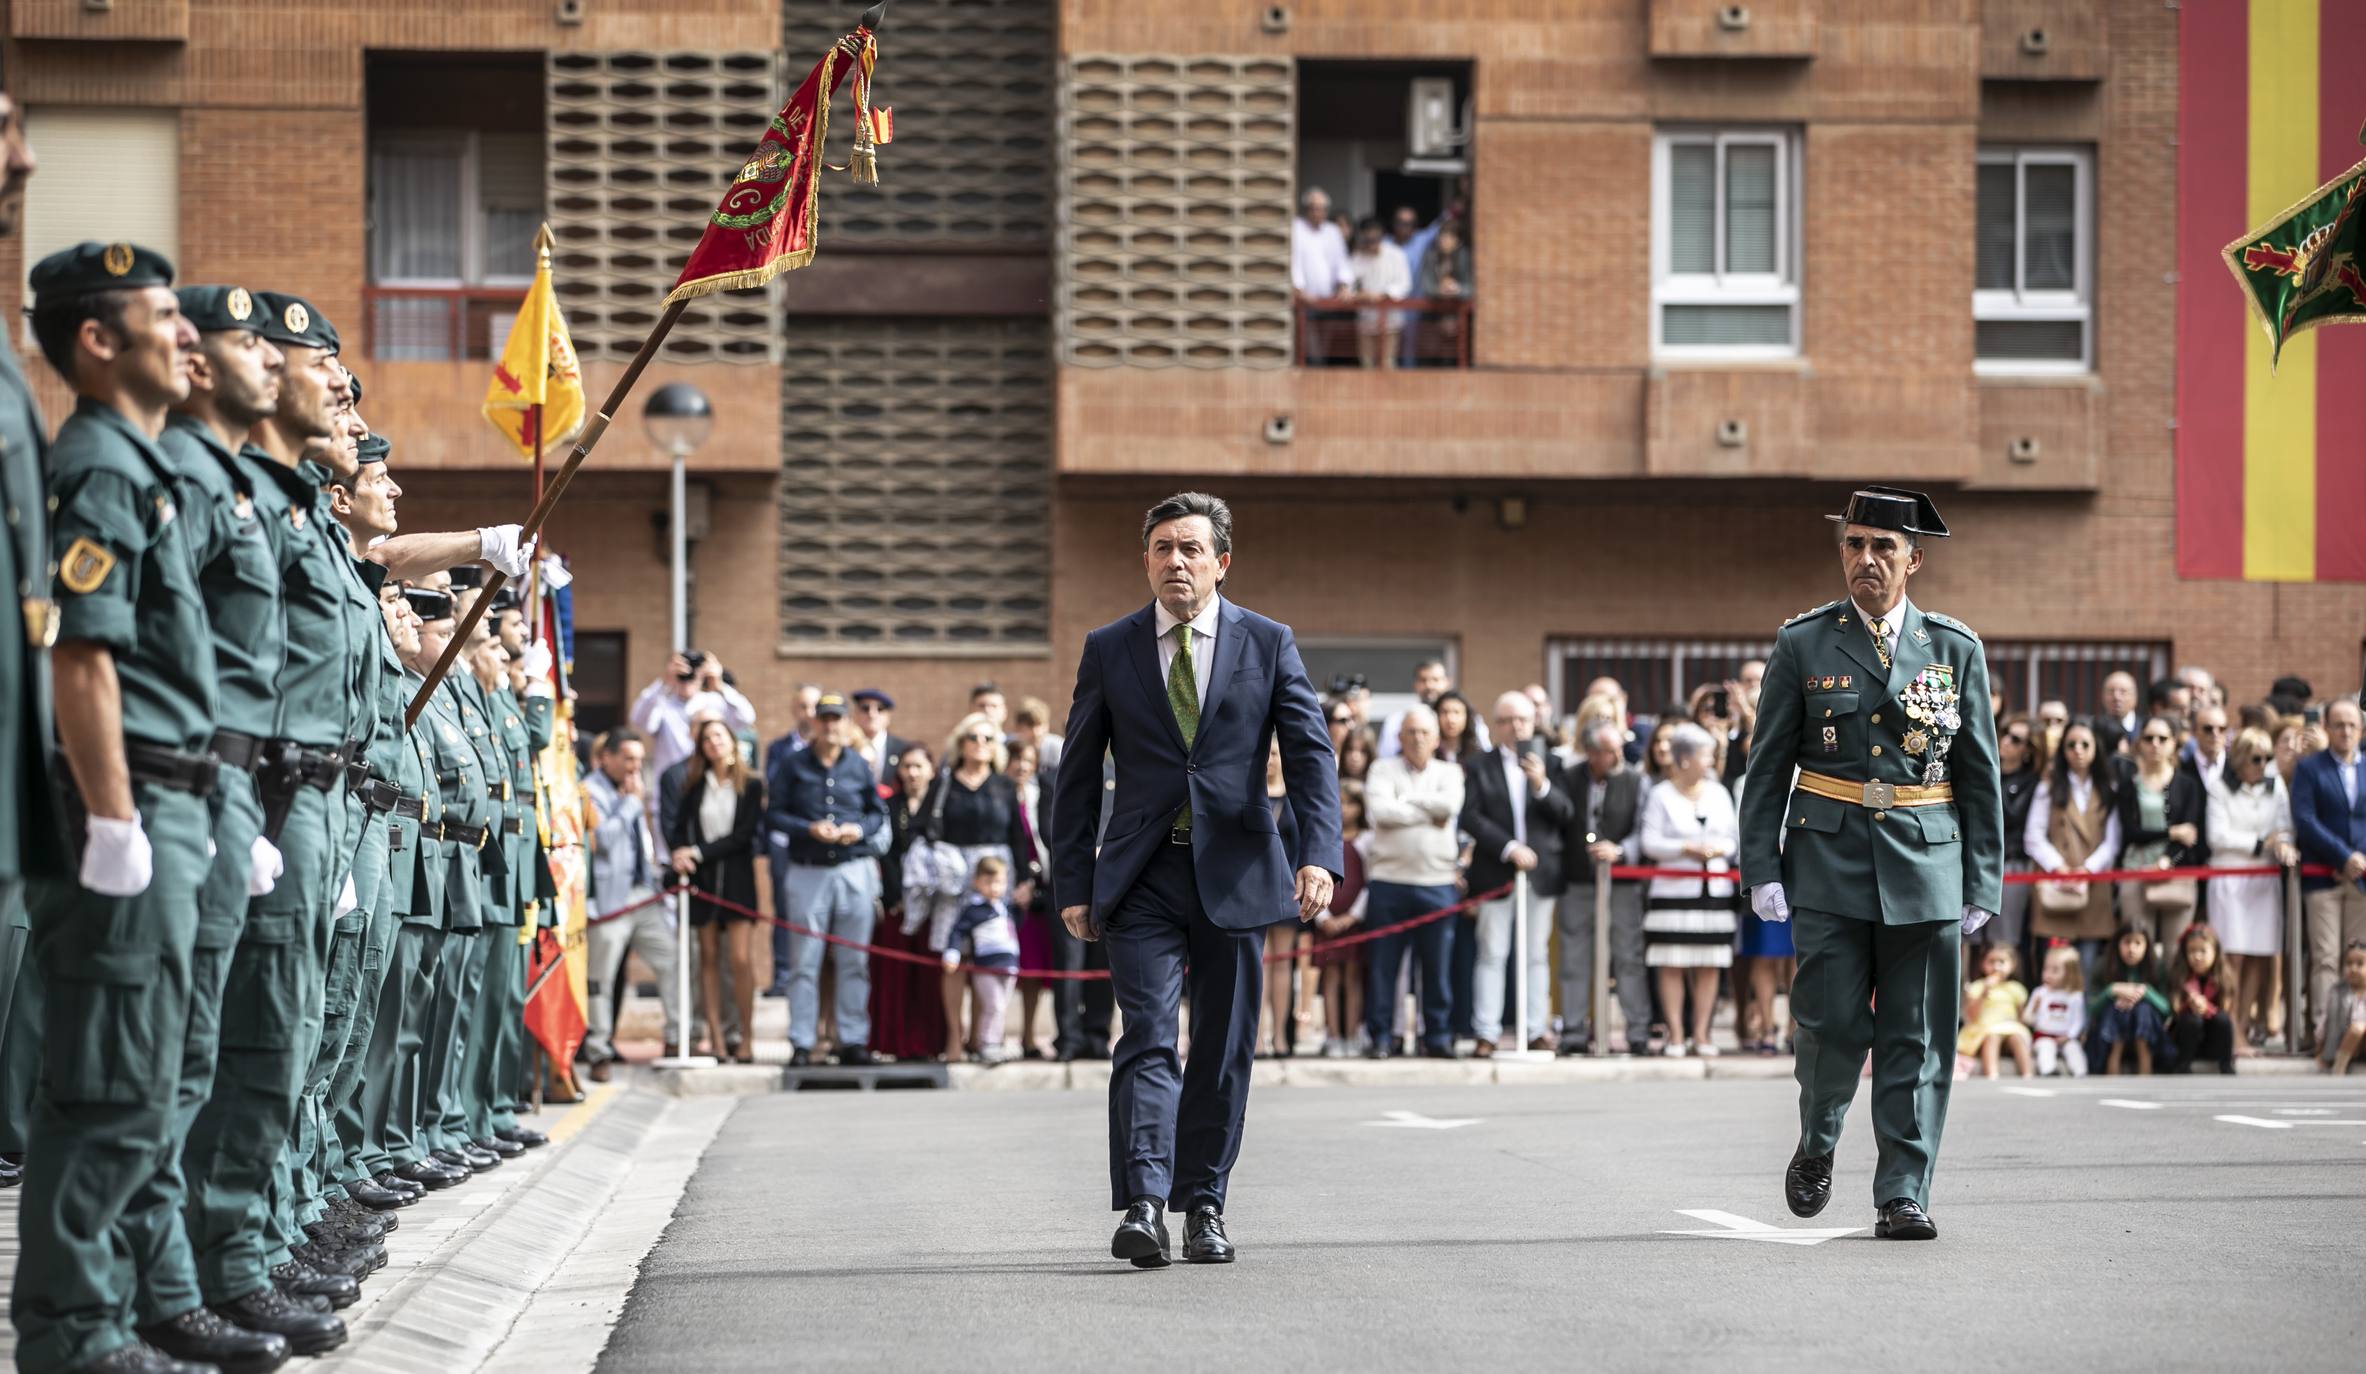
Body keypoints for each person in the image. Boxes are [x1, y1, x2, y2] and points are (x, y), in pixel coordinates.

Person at [1049, 491, 1340, 1270]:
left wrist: (1320, 854)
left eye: (1190, 549)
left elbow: (1311, 755)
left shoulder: (1268, 641)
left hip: (1238, 872)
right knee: (1146, 1036)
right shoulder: (1110, 647)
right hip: (1142, 875)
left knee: (1221, 1049)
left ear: (1222, 562)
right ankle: (1144, 1203)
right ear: (1145, 561)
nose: (1175, 562)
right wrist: (1072, 881)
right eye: (1161, 549)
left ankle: (1203, 1205)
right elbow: (1076, 776)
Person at [1740, 484, 2003, 1243]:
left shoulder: (1955, 649)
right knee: (1828, 1027)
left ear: (1913, 560)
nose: (1866, 560)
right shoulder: (1804, 643)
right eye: (1854, 545)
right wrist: (1762, 866)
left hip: (1926, 865)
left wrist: (1982, 878)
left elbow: (1979, 775)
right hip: (1827, 863)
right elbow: (1768, 768)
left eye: (1883, 548)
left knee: (1916, 1039)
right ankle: (1819, 1141)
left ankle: (1903, 1192)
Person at [768, 693, 888, 1068]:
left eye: (837, 719)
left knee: (854, 960)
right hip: (808, 869)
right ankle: (802, 1042)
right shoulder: (793, 764)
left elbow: (876, 813)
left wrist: (858, 829)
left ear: (845, 723)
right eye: (825, 719)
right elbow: (774, 814)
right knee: (805, 961)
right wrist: (808, 829)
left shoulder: (856, 764)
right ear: (815, 723)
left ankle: (852, 1039)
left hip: (853, 869)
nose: (831, 726)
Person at [917, 712, 1034, 1062]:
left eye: (987, 739)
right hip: (954, 878)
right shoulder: (944, 783)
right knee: (955, 957)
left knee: (989, 956)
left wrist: (1025, 881)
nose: (980, 745)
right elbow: (922, 829)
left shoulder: (1002, 785)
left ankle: (984, 1038)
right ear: (960, 743)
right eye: (973, 738)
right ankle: (955, 1038)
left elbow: (1017, 836)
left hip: (996, 876)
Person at [1461, 692, 1569, 1056]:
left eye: (1523, 719)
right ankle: (1487, 1032)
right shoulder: (1480, 765)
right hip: (1496, 871)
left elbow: (1566, 814)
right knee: (1492, 952)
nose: (1516, 727)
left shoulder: (1551, 763)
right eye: (1507, 720)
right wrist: (1509, 847)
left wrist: (1541, 785)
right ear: (1497, 725)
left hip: (1540, 875)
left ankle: (1536, 1028)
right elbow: (1471, 816)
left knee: (1536, 953)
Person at [1362, 704, 1465, 1059]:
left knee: (1436, 968)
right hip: (1389, 881)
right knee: (1383, 967)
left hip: (1437, 883)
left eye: (1424, 732)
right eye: (1411, 732)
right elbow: (1381, 813)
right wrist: (1427, 810)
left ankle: (1436, 1036)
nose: (1418, 739)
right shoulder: (1381, 769)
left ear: (1436, 738)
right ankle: (1381, 1037)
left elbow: (1449, 808)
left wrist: (1406, 802)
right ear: (1400, 737)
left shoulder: (1451, 772)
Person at [666, 716, 764, 1062]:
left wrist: (699, 851)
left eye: (719, 736)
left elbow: (744, 835)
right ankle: (717, 1039)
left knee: (739, 959)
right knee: (706, 958)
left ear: (732, 741)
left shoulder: (751, 784)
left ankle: (747, 1038)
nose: (714, 743)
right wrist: (681, 853)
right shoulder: (694, 785)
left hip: (737, 879)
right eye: (707, 739)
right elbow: (679, 829)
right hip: (703, 880)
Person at [581, 729, 677, 1079]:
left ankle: (677, 1037)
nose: (635, 767)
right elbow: (601, 839)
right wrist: (632, 804)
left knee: (671, 959)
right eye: (628, 759)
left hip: (643, 895)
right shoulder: (590, 789)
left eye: (639, 759)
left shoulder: (631, 791)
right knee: (600, 978)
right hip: (609, 902)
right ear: (606, 757)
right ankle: (598, 1050)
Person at [1640, 724, 1739, 1057]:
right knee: (1672, 962)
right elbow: (1649, 843)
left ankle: (1702, 1034)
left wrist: (1715, 850)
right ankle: (1676, 1035)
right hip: (1672, 889)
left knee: (1709, 963)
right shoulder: (1660, 794)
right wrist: (1686, 848)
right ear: (1684, 759)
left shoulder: (1718, 793)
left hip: (1713, 890)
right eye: (1704, 754)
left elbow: (1732, 837)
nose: (1710, 760)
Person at [2201, 726, 2295, 1056]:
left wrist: (2282, 843)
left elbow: (2284, 825)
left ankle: (2242, 1025)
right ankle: (2230, 1032)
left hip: (2264, 881)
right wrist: (2259, 844)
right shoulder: (2218, 787)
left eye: (2268, 758)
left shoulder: (2275, 786)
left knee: (2257, 956)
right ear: (2240, 760)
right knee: (2233, 958)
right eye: (2257, 758)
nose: (2264, 764)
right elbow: (2217, 836)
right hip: (2230, 878)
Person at [1557, 721, 1649, 1056]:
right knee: (1575, 957)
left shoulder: (1636, 780)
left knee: (1628, 955)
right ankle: (1573, 1030)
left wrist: (1620, 849)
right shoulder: (1569, 778)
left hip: (1622, 882)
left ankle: (1637, 1030)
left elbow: (1643, 829)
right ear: (1592, 753)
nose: (1617, 756)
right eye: (1609, 751)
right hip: (1578, 880)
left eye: (1618, 749)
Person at [2292, 699, 2366, 1055]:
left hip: (2361, 878)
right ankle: (2325, 1033)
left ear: (2361, 729)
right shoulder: (2310, 769)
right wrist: (2342, 855)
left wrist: (2358, 859)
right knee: (2324, 956)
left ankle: (2355, 1033)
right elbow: (2305, 820)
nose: (2346, 731)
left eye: (2352, 725)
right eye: (2338, 724)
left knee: (2357, 958)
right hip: (2323, 877)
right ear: (2326, 727)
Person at [2024, 721, 2122, 964]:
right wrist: (2060, 868)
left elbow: (2114, 840)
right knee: (2055, 971)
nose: (2078, 750)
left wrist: (2088, 870)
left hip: (2094, 884)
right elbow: (2033, 836)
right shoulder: (2048, 786)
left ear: (2096, 749)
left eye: (2085, 744)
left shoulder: (2109, 787)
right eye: (2071, 745)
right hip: (2056, 884)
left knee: (2087, 969)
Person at [872, 747, 948, 1061]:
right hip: (900, 903)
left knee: (931, 976)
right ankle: (896, 1042)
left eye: (919, 766)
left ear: (931, 769)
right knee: (896, 973)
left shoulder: (943, 803)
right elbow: (886, 853)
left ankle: (930, 1043)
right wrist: (895, 896)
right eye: (907, 767)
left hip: (937, 902)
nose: (913, 772)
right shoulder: (890, 806)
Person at [2112, 715, 2208, 947]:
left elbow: (2191, 834)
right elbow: (2131, 831)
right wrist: (2172, 832)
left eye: (2162, 738)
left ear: (2173, 743)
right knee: (2137, 947)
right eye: (2148, 738)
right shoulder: (2129, 784)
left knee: (2175, 952)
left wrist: (2166, 860)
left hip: (2177, 873)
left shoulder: (2188, 785)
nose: (2155, 743)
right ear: (2139, 743)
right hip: (2136, 871)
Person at [757, 681, 821, 998]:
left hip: (821, 845)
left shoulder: (834, 751)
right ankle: (782, 975)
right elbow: (774, 791)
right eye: (803, 707)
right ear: (795, 710)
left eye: (814, 707)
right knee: (783, 910)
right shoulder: (780, 749)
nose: (809, 713)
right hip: (785, 840)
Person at [630, 651, 755, 789]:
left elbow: (747, 717)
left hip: (710, 789)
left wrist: (720, 685)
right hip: (671, 788)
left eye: (693, 670)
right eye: (682, 672)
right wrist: (663, 682)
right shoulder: (661, 704)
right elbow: (637, 719)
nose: (687, 676)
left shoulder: (714, 702)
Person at [942, 856, 1023, 1062]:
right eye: (989, 882)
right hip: (986, 967)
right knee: (993, 1005)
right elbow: (956, 932)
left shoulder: (1006, 908)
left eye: (999, 882)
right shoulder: (973, 910)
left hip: (1009, 966)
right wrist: (952, 952)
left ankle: (994, 1042)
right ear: (977, 882)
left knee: (1001, 1007)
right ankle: (986, 1043)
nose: (994, 888)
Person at [1315, 780, 1371, 1056]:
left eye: (1350, 803)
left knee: (1353, 977)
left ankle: (1352, 1034)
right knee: (1330, 977)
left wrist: (1352, 917)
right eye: (1339, 802)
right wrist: (1323, 916)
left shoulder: (1366, 840)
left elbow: (1370, 882)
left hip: (1354, 923)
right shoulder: (1324, 837)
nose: (1344, 809)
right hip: (1326, 920)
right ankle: (1333, 1036)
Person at [1992, 712, 2044, 965]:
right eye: (2004, 733)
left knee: (2004, 938)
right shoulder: (1986, 767)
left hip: (2012, 862)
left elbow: (2011, 816)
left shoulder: (2032, 782)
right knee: (1967, 937)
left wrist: (1993, 781)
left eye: (2016, 739)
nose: (2005, 741)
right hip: (1976, 857)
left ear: (2027, 750)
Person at [2089, 925, 2170, 1075]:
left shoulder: (2156, 966)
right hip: (2110, 1037)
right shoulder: (2103, 965)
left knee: (2143, 1009)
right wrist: (2111, 990)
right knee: (2115, 1009)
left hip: (2147, 1035)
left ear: (2147, 946)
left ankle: (2145, 1072)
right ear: (2117, 944)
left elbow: (2167, 1010)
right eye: (2127, 942)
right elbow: (2091, 1009)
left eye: (2138, 943)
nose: (2131, 949)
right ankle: (2112, 1074)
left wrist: (2145, 992)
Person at [1290, 187, 1352, 365]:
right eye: (1314, 208)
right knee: (1310, 351)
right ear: (1306, 209)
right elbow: (1294, 261)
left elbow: (1341, 261)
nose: (1319, 212)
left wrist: (1344, 285)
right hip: (1305, 302)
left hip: (1328, 302)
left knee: (1323, 350)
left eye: (1322, 208)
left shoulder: (1332, 231)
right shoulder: (1297, 228)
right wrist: (1299, 289)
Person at [1955, 944, 2032, 1079]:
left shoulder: (2015, 988)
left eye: (2001, 962)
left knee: (2017, 1038)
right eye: (1991, 962)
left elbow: (2020, 1016)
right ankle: (1992, 1074)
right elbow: (1971, 1015)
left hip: (2010, 1027)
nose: (1996, 966)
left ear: (2012, 965)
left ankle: (2027, 1074)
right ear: (1983, 965)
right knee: (1993, 1037)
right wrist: (1984, 992)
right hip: (1985, 1030)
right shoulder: (1977, 987)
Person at [1345, 216, 1411, 369]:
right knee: (1367, 365)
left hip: (1390, 321)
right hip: (1366, 320)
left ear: (1382, 236)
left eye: (1375, 239)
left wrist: (1382, 296)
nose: (1371, 244)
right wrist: (1361, 295)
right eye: (1367, 240)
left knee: (1387, 364)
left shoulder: (1396, 254)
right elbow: (1347, 286)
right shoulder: (1357, 257)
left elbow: (1404, 284)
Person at [2169, 923, 2236, 1075]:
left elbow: (2225, 1007)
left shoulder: (2223, 978)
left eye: (2202, 951)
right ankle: (2183, 1064)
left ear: (2215, 952)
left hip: (2212, 1039)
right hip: (2188, 1039)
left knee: (2222, 1020)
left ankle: (2226, 1063)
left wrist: (2207, 1008)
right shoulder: (2180, 977)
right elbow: (2174, 1007)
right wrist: (2190, 1004)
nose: (2197, 956)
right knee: (2191, 1020)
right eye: (2192, 951)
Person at [2024, 946, 2088, 1078]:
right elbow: (2028, 1019)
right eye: (2046, 968)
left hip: (2065, 1037)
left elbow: (2078, 1020)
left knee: (2074, 1049)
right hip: (2043, 1035)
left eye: (2055, 970)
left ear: (2070, 973)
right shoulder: (2040, 992)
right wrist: (2034, 1008)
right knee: (2045, 1047)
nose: (2048, 974)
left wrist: (2069, 1036)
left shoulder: (2075, 996)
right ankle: (2048, 1071)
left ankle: (2080, 1073)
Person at [2318, 941, 2366, 1074]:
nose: (2353, 969)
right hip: (2344, 1041)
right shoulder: (2337, 992)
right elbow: (2324, 1022)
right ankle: (2339, 1066)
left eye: (2360, 964)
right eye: (2349, 964)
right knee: (2357, 1028)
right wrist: (2320, 1051)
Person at [849, 688, 909, 786]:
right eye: (865, 708)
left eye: (880, 709)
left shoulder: (902, 749)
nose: (872, 714)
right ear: (856, 714)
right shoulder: (845, 747)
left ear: (888, 717)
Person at [2101, 671, 2140, 740]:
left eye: (2123, 692)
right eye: (2111, 691)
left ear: (2135, 697)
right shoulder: (2094, 730)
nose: (2116, 697)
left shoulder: (2145, 730)